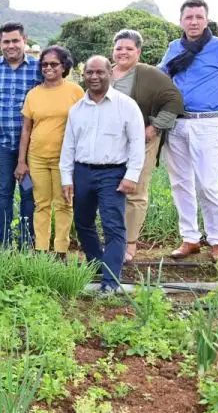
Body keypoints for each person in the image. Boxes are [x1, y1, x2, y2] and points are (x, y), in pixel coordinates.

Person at [158, 0, 218, 263]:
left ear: (206, 20)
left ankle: (217, 241)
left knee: (208, 186)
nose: (194, 22)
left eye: (199, 17)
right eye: (189, 17)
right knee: (180, 183)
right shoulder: (173, 48)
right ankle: (190, 239)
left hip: (206, 123)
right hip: (175, 123)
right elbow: (161, 78)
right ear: (181, 21)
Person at [60, 56, 145, 293]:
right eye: (89, 73)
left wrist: (132, 176)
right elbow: (69, 146)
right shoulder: (77, 109)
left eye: (100, 72)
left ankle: (110, 282)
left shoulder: (126, 105)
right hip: (83, 172)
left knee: (113, 226)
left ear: (110, 73)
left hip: (113, 174)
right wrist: (67, 178)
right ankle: (97, 264)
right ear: (83, 75)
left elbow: (137, 143)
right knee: (83, 222)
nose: (94, 77)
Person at [110, 30, 184, 263]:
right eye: (119, 48)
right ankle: (114, 239)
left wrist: (153, 129)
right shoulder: (106, 72)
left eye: (129, 48)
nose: (123, 52)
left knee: (135, 190)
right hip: (111, 144)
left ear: (138, 52)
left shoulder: (149, 74)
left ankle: (130, 244)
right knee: (111, 190)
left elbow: (175, 100)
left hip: (142, 141)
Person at [15, 46, 84, 259]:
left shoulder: (75, 92)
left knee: (64, 203)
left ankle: (61, 250)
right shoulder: (33, 94)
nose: (48, 68)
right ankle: (41, 249)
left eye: (53, 64)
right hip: (37, 158)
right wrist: (21, 161)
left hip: (65, 160)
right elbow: (26, 129)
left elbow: (84, 125)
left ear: (64, 66)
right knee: (41, 204)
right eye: (44, 64)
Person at [0, 22, 42, 248]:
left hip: (31, 148)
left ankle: (27, 240)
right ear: (0, 43)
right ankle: (4, 241)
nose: (11, 46)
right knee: (3, 193)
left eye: (15, 41)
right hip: (2, 146)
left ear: (24, 41)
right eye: (6, 41)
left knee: (28, 194)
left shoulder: (37, 69)